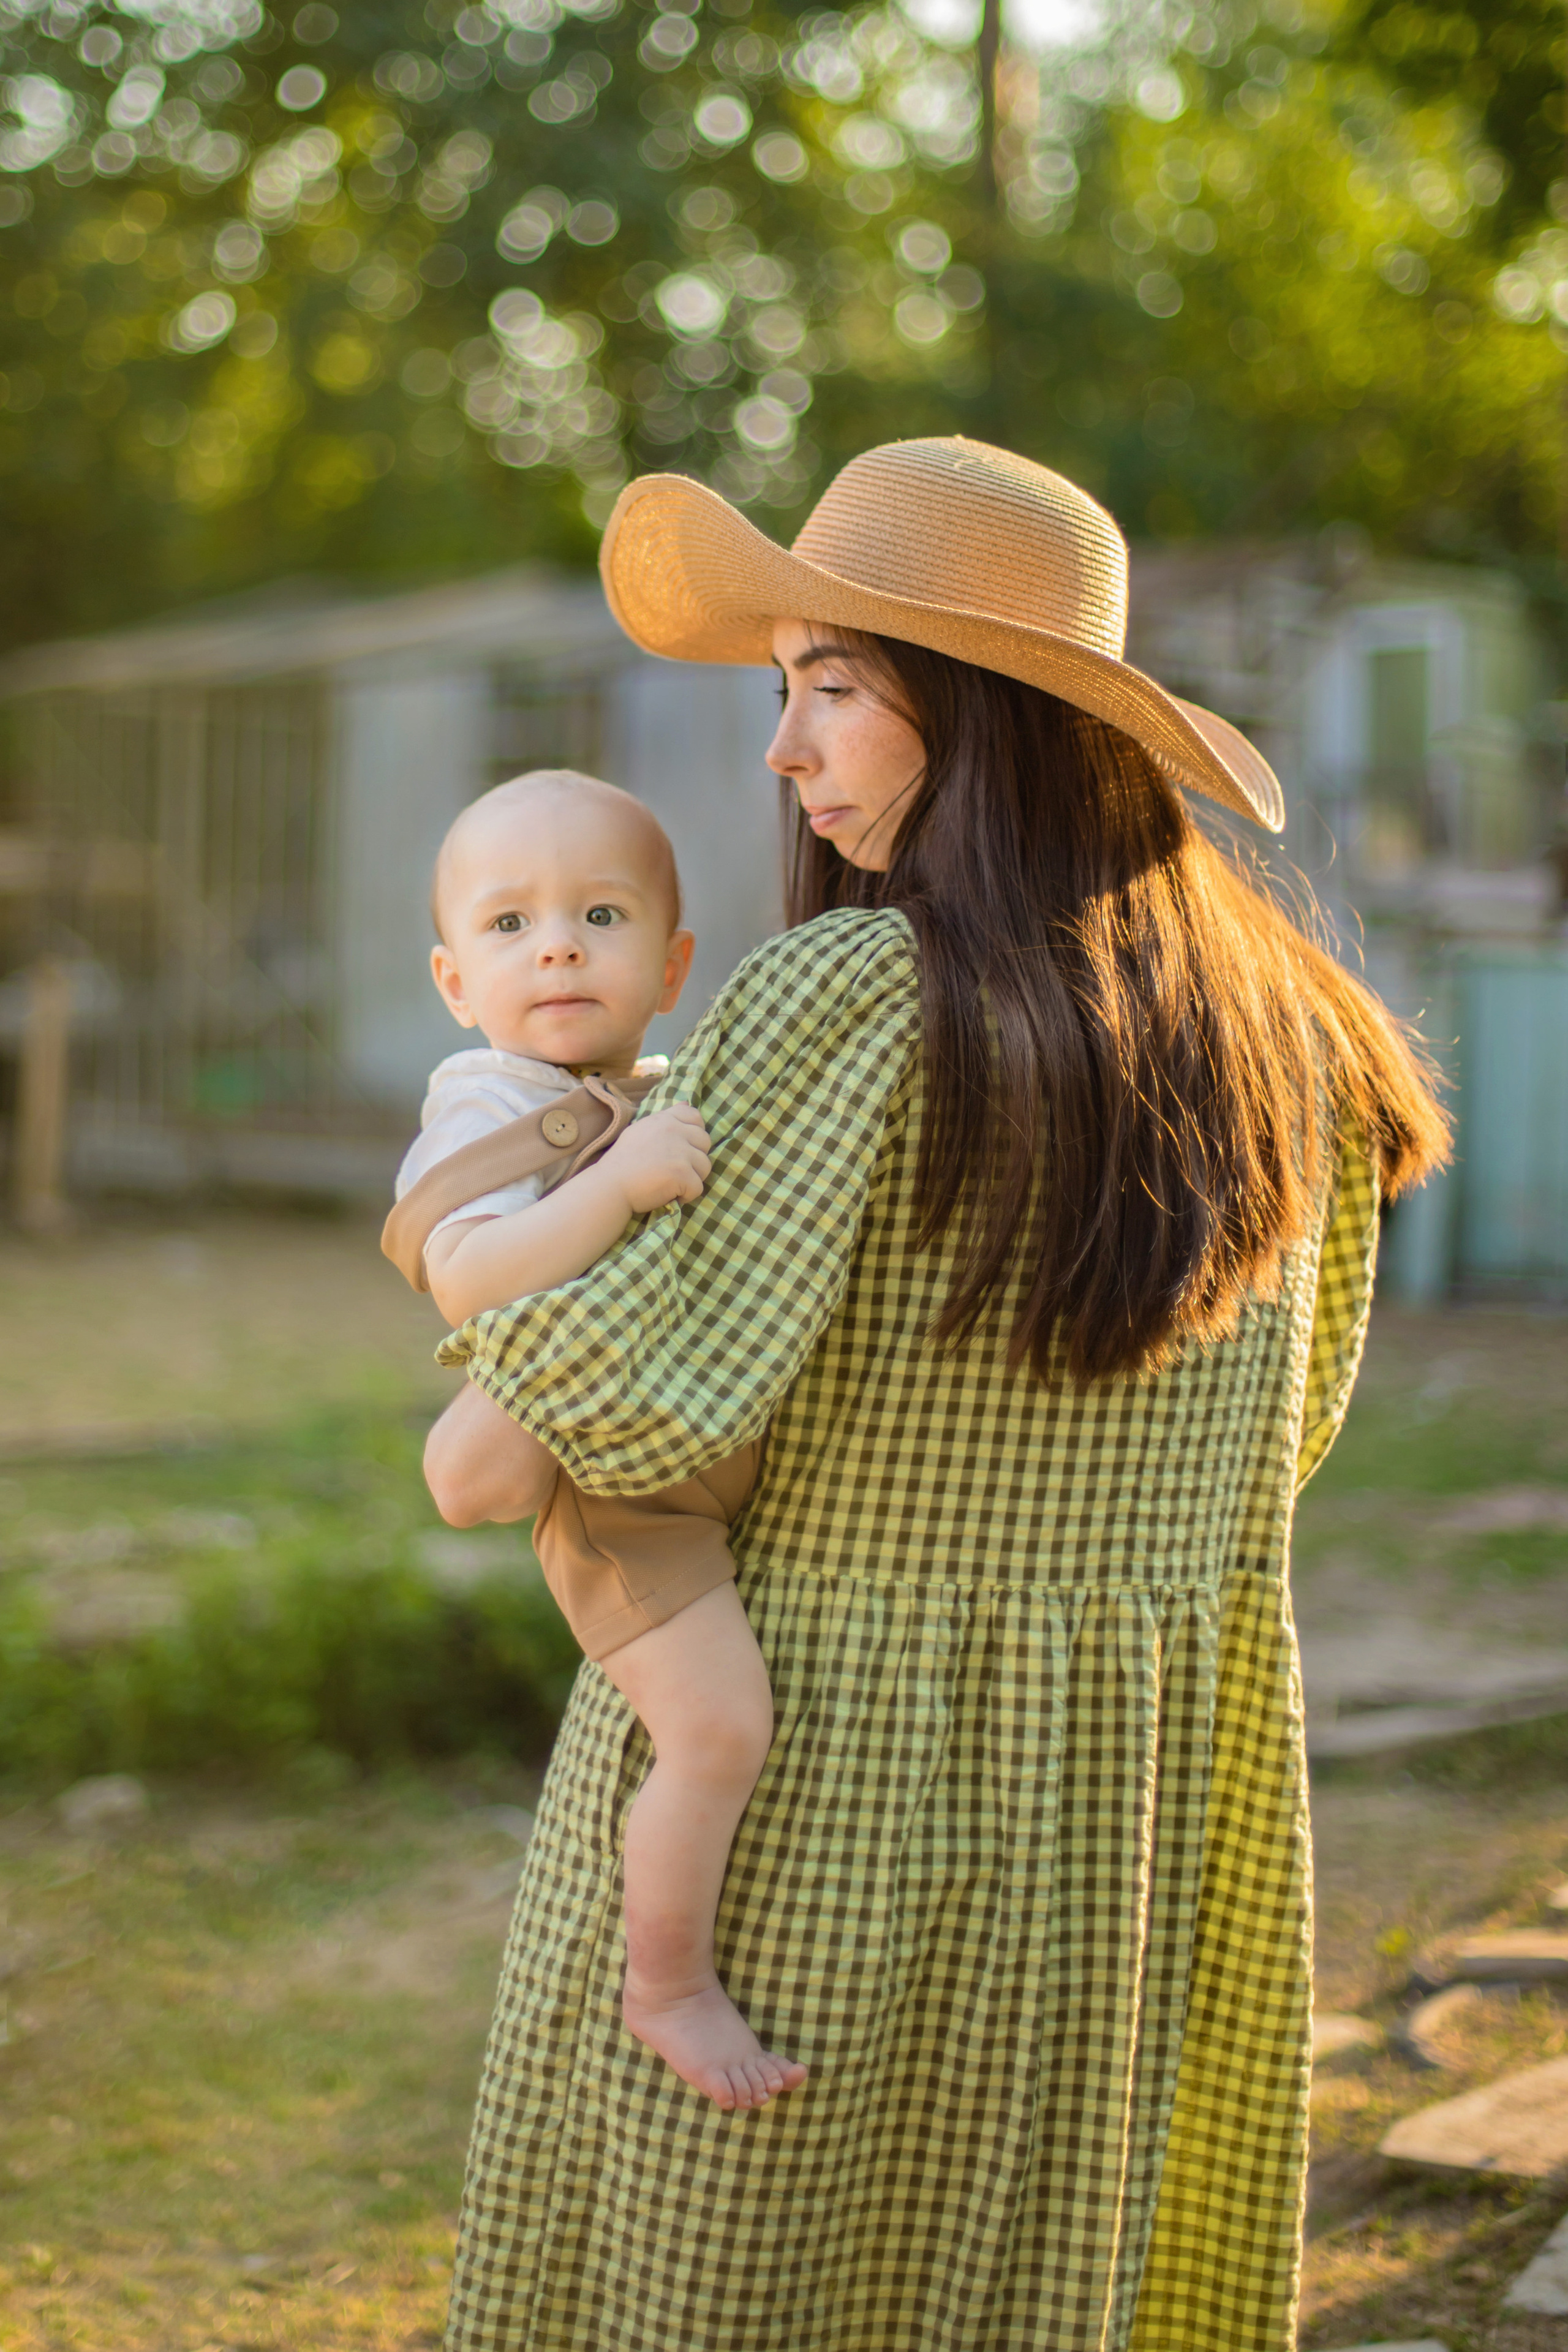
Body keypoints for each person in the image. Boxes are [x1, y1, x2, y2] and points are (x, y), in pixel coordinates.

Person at [425, 439, 1449, 2352]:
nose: (781, 751)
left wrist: (502, 1311)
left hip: (819, 1776)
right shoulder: (1299, 1036)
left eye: (830, 686)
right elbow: (1283, 1450)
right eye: (781, 689)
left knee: (723, 2290)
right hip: (1138, 1817)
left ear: (978, 717)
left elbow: (598, 1423)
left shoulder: (853, 995)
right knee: (1040, 2284)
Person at [391, 767, 803, 2111]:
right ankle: (667, 1984)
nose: (558, 943)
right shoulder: (487, 1099)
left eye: (601, 915)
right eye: (510, 925)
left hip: (697, 1455)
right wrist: (619, 1184)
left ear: (673, 963)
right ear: (456, 982)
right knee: (719, 1730)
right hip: (624, 1508)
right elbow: (466, 1273)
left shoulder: (666, 1084)